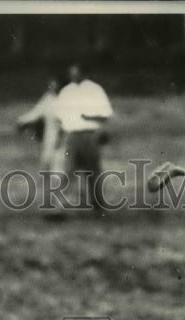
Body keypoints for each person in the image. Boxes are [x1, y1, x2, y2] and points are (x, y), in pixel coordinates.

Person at [53, 62, 113, 212]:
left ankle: (98, 203)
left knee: (93, 171)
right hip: (71, 136)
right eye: (71, 73)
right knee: (68, 170)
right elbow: (59, 117)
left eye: (76, 72)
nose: (74, 76)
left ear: (83, 73)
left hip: (89, 135)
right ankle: (58, 207)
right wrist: (60, 137)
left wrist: (89, 116)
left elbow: (106, 115)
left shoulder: (95, 90)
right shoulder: (66, 91)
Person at [16, 75, 65, 174]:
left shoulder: (65, 99)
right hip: (49, 135)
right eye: (51, 85)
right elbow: (36, 112)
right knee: (46, 162)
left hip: (62, 136)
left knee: (59, 165)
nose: (53, 87)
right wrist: (22, 121)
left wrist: (61, 135)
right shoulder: (47, 98)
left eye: (56, 84)